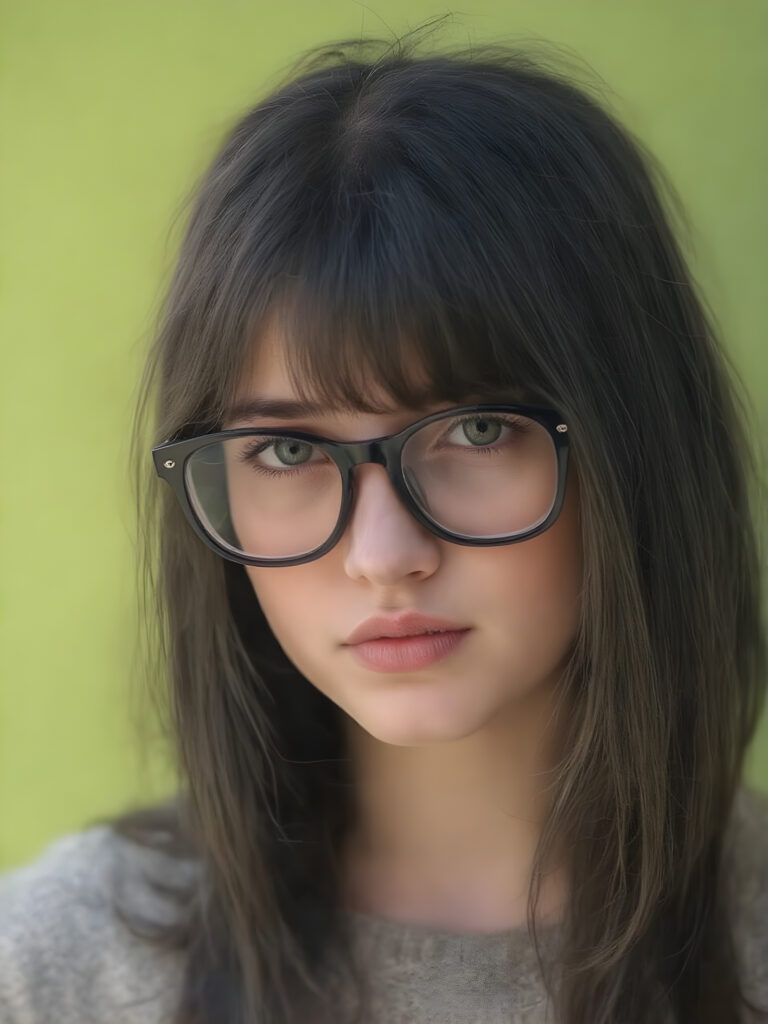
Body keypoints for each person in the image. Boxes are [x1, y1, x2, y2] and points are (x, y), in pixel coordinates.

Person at [1, 22, 766, 1024]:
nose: (383, 556)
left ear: (633, 448)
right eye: (288, 451)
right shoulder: (58, 972)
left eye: (477, 430)